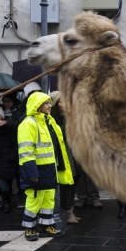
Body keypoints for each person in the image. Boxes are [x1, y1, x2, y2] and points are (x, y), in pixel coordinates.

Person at [17, 91, 66, 241]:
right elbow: (26, 151)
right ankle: (29, 227)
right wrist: (32, 173)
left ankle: (46, 226)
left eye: (50, 102)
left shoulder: (47, 121)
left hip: (49, 168)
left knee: (48, 199)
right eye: (46, 103)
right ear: (37, 105)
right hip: (36, 169)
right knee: (34, 199)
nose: (50, 105)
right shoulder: (28, 123)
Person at [49, 90, 81, 224]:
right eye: (62, 102)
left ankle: (69, 210)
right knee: (66, 185)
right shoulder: (53, 120)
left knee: (74, 182)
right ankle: (67, 212)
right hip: (63, 157)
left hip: (75, 155)